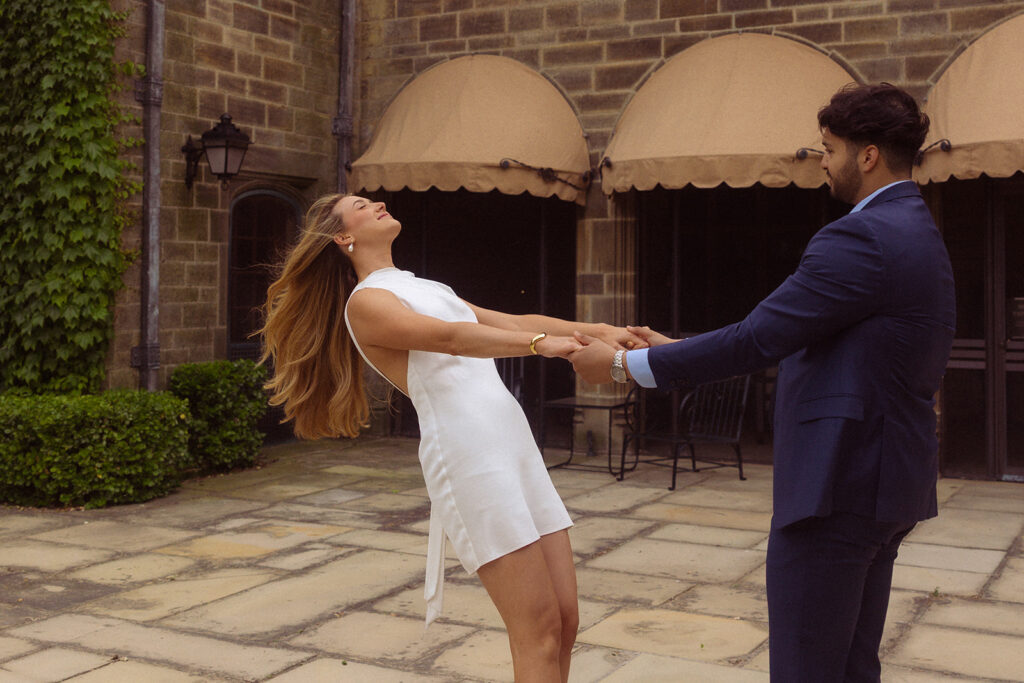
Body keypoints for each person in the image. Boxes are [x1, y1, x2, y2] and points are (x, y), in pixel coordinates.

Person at [568, 83, 955, 682]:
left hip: (838, 486)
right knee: (851, 668)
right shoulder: (915, 228)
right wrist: (677, 349)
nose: (822, 162)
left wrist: (622, 367)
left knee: (806, 670)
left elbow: (758, 338)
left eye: (829, 149)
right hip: (883, 482)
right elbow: (802, 336)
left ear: (868, 155)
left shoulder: (862, 237)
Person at [259, 193, 645, 683]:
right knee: (539, 631)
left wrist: (601, 330)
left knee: (565, 621)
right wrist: (542, 347)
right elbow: (451, 339)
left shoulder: (422, 285)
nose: (378, 202)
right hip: (469, 456)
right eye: (361, 204)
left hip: (513, 446)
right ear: (343, 237)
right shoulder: (366, 302)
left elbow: (515, 321)